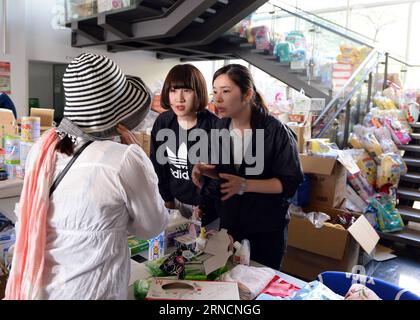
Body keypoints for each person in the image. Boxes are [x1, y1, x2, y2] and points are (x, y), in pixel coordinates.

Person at [5, 53, 169, 300]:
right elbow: (152, 227)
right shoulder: (124, 159)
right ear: (118, 112)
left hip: (40, 288)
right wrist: (141, 160)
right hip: (95, 291)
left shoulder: (43, 148)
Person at [192, 64, 303, 270]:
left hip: (265, 229)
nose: (218, 99)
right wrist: (207, 171)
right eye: (215, 92)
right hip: (230, 224)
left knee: (260, 287)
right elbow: (226, 175)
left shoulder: (275, 131)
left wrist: (245, 184)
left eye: (226, 91)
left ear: (247, 94)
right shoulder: (220, 126)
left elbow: (289, 183)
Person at [119, 64, 219, 228]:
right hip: (174, 202)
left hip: (206, 208)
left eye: (186, 90)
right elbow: (159, 165)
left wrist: (203, 205)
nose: (179, 98)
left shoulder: (214, 126)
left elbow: (218, 174)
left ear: (199, 92)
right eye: (173, 90)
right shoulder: (164, 121)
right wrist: (167, 199)